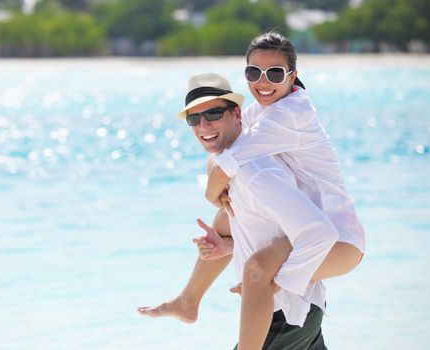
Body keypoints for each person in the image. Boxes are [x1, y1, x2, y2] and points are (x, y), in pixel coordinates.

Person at [140, 72, 336, 349]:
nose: (203, 125)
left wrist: (274, 282)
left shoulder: (254, 170)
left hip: (284, 313)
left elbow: (316, 231)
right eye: (194, 119)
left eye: (214, 113)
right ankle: (188, 300)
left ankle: (188, 300)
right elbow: (270, 229)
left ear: (237, 114)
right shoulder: (226, 163)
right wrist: (232, 245)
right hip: (297, 309)